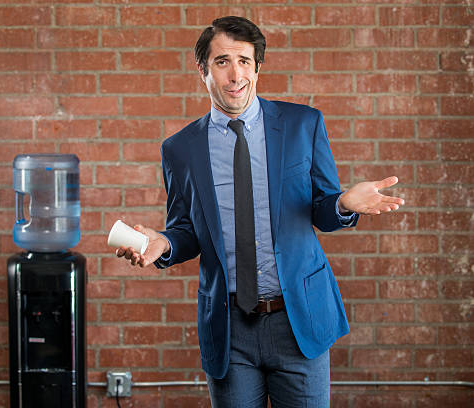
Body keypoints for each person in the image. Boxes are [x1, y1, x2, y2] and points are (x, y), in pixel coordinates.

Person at [116, 16, 404, 407]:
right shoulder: (179, 149)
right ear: (202, 70)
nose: (235, 75)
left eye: (244, 61)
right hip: (230, 327)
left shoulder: (303, 125)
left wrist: (341, 203)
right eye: (222, 62)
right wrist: (164, 242)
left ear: (257, 68)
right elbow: (186, 230)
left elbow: (322, 209)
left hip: (298, 320)